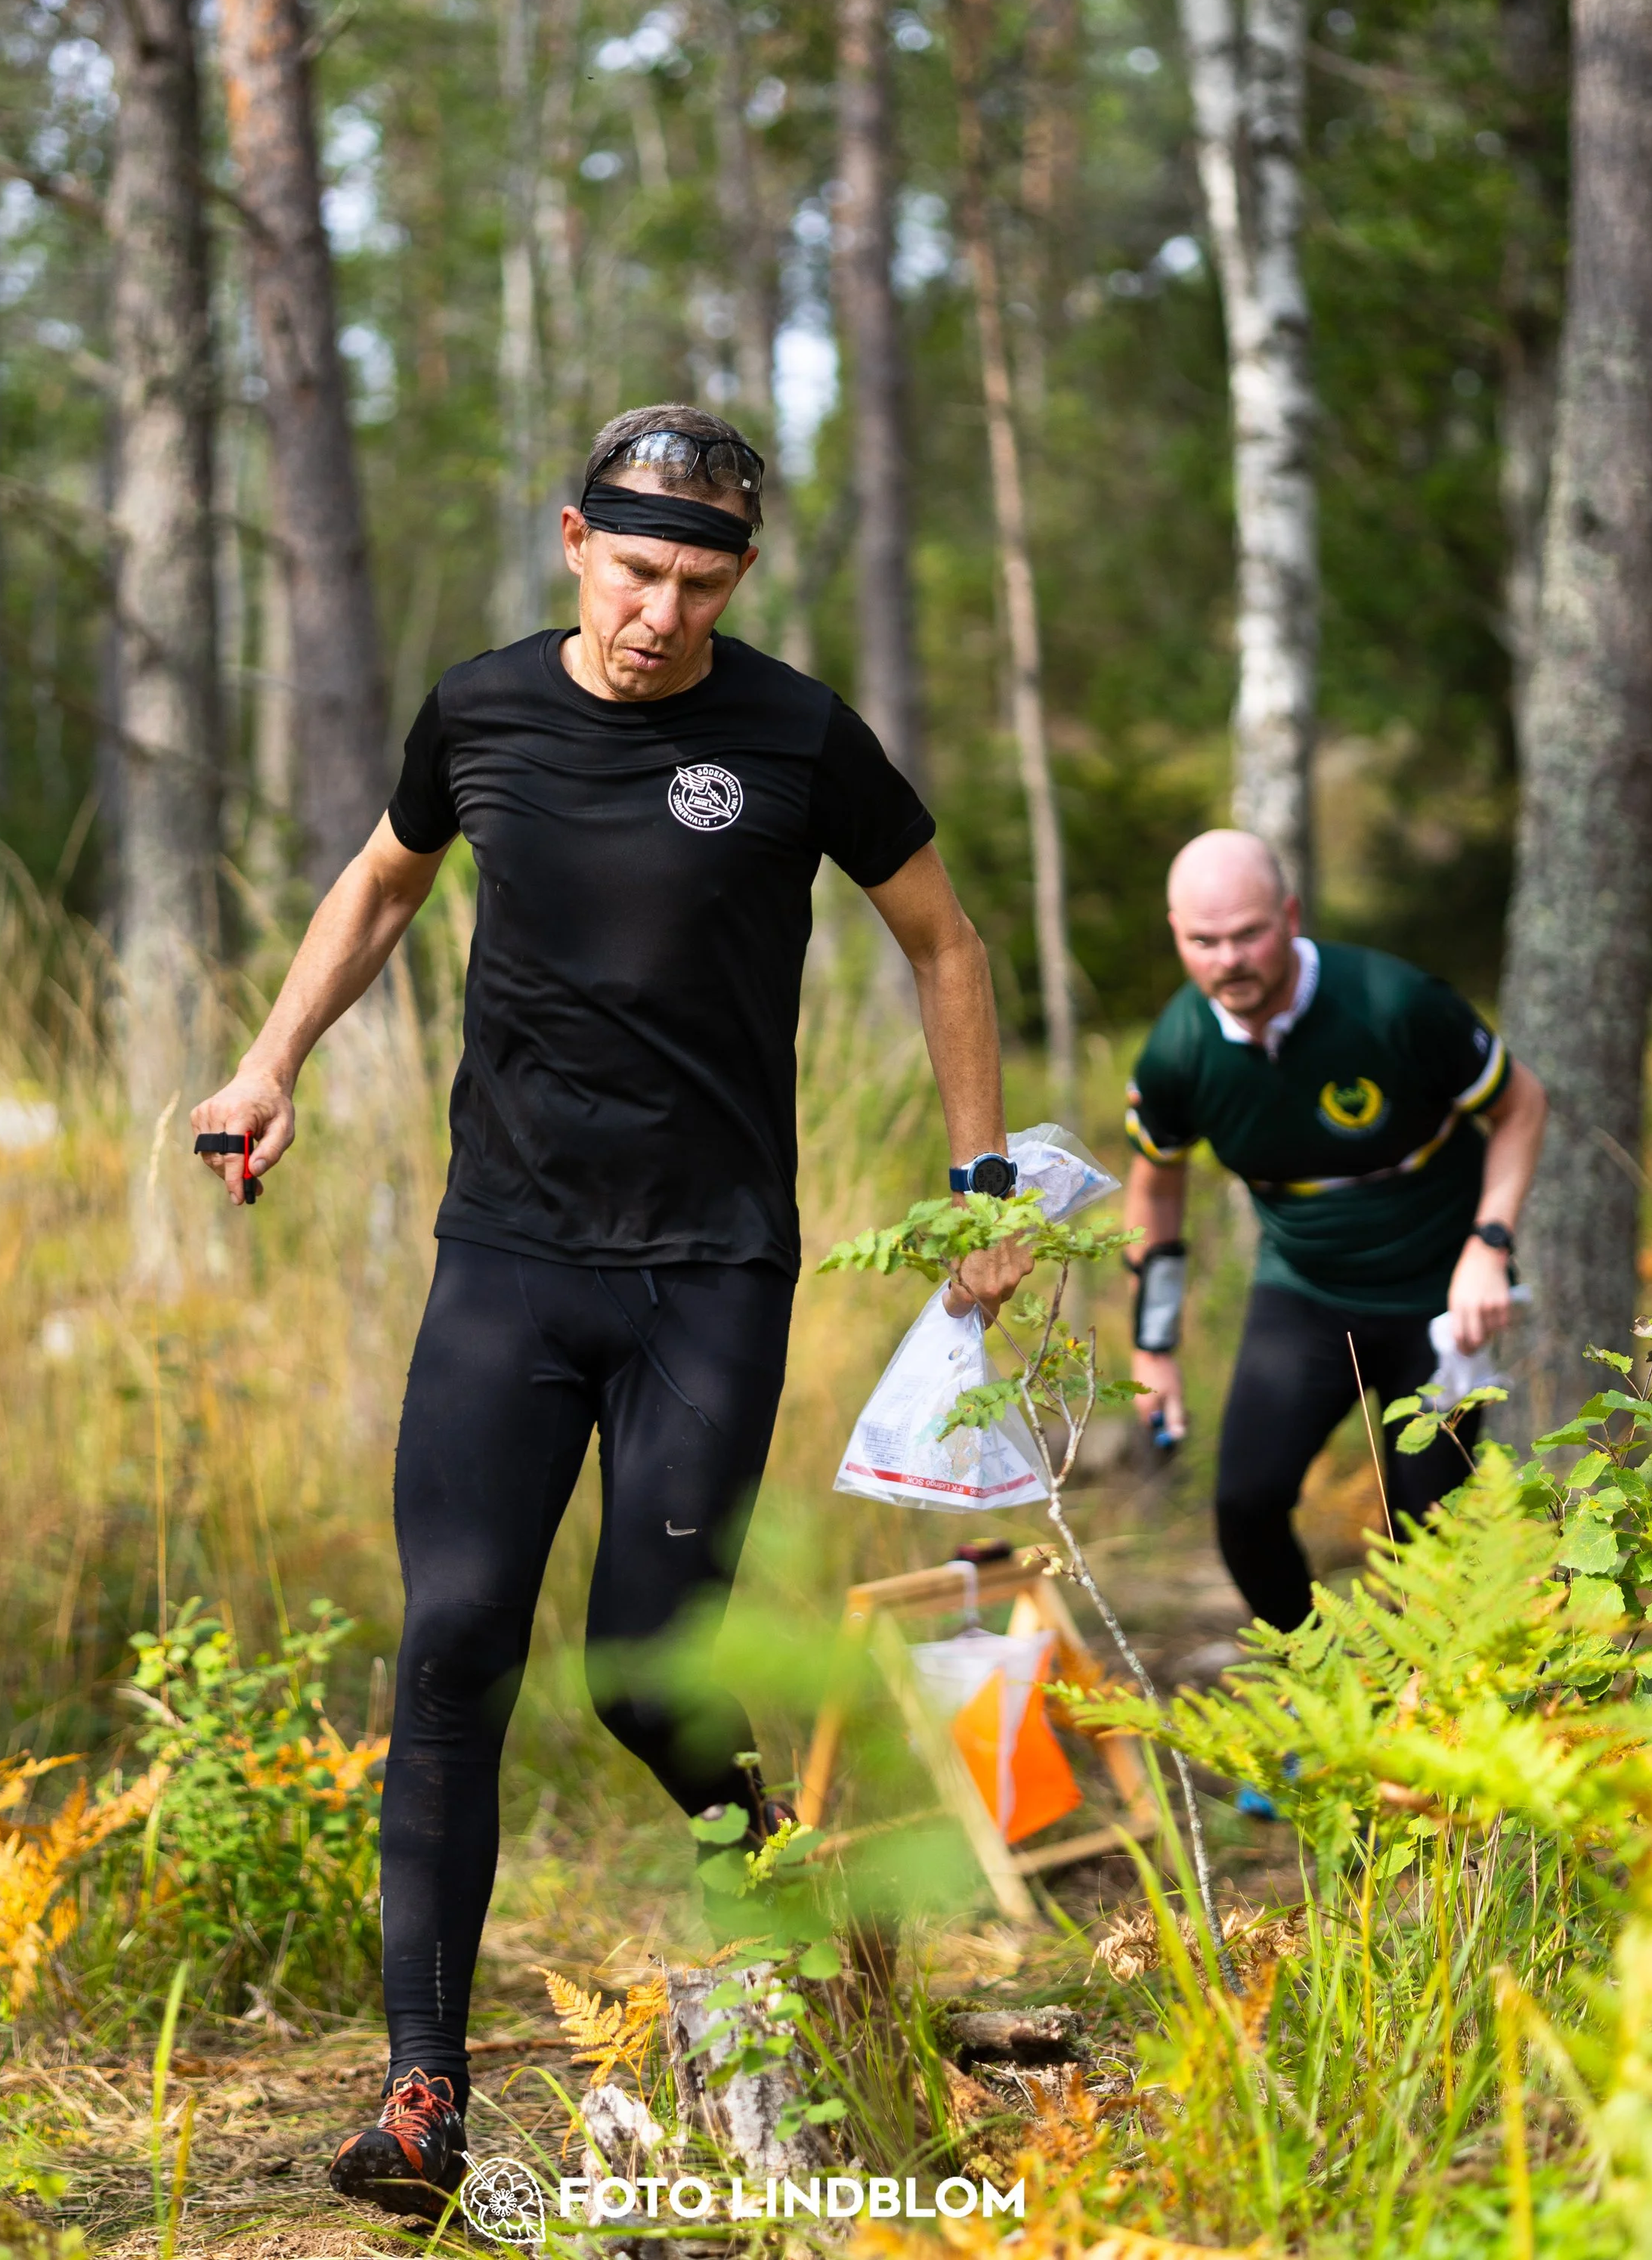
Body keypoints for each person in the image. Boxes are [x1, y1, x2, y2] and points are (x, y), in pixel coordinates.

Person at [190, 404, 1029, 2214]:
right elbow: (388, 874)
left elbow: (944, 940)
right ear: (574, 539)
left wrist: (983, 1190)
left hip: (710, 1270)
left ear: (738, 577)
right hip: (506, 1254)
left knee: (647, 1669)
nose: (664, 611)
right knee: (457, 1639)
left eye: (702, 580)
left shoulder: (798, 733)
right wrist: (271, 1063)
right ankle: (424, 2090)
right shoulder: (481, 709)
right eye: (638, 569)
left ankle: (813, 1928)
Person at [1123, 829, 1547, 1635]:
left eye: (1247, 932)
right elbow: (1155, 1186)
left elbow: (1520, 1104)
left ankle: (1431, 1729)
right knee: (1244, 1506)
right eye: (1202, 941)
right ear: (1175, 931)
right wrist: (1154, 1345)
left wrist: (1488, 1246)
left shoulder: (1392, 1002)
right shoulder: (1178, 1051)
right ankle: (1320, 1683)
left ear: (1290, 914)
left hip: (1440, 1295)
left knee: (1433, 1536)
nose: (1228, 961)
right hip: (1308, 1293)